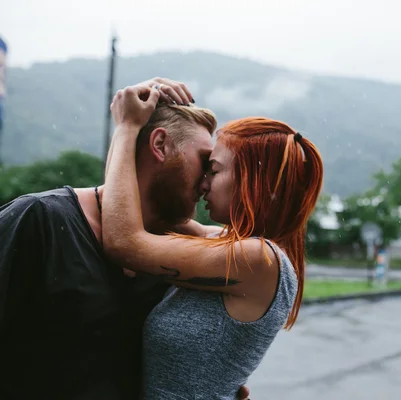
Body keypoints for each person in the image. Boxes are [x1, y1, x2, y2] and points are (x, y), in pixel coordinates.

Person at [0, 78, 249, 400]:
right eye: (204, 162)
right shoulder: (39, 218)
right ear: (160, 145)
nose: (206, 182)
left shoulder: (177, 253)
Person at [101, 83, 324, 399]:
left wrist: (126, 126)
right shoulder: (232, 245)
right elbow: (158, 219)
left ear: (250, 180)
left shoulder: (258, 259)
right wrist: (152, 104)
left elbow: (125, 243)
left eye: (214, 170)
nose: (202, 183)